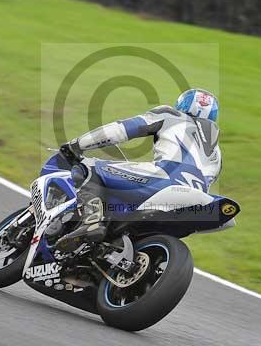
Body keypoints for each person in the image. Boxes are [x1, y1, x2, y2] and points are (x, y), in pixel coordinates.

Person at [55, 88, 221, 250]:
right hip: (195, 201)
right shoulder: (217, 153)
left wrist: (77, 144)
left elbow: (120, 130)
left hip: (162, 180)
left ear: (183, 105)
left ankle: (91, 222)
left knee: (87, 167)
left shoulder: (171, 115)